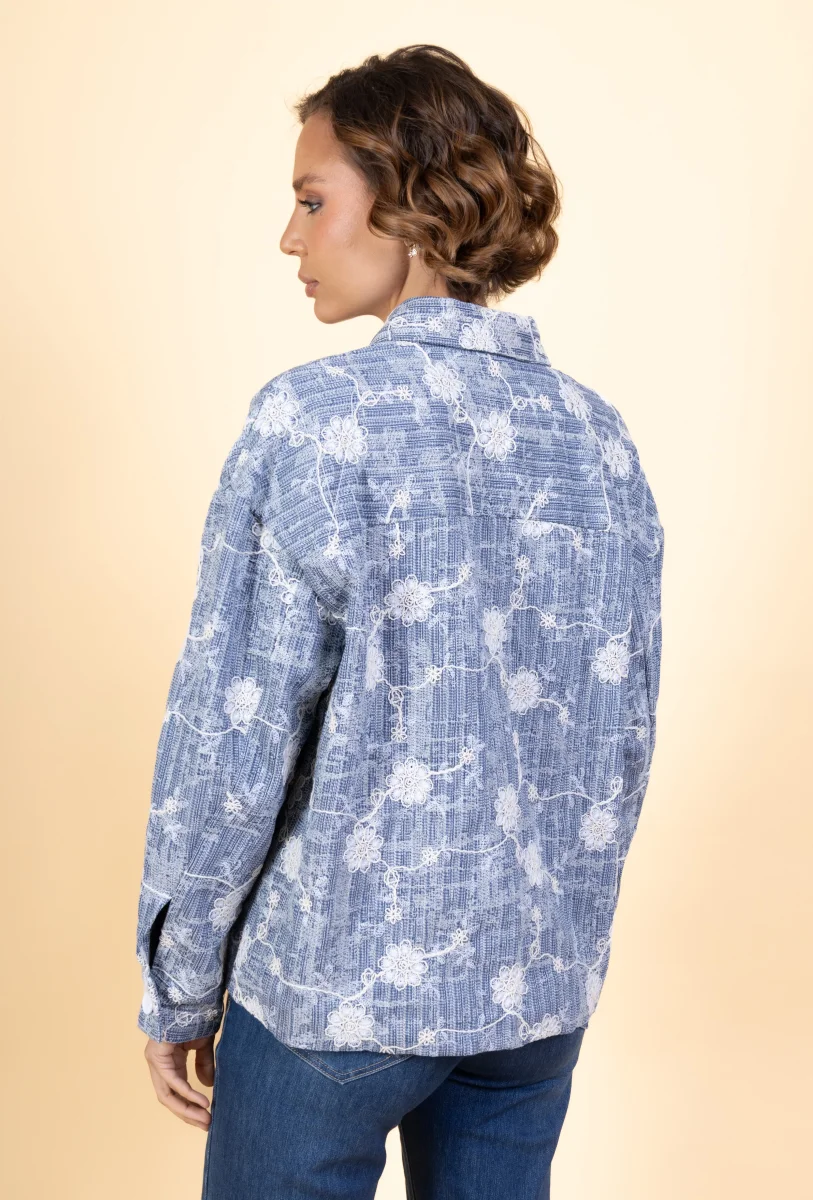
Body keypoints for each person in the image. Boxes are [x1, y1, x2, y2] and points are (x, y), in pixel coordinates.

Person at [135, 43, 664, 1200]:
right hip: (534, 997)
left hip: (340, 988)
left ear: (412, 201)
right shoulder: (599, 437)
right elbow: (620, 734)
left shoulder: (315, 421)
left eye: (311, 199)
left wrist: (179, 984)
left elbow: (235, 734)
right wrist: (561, 942)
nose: (289, 238)